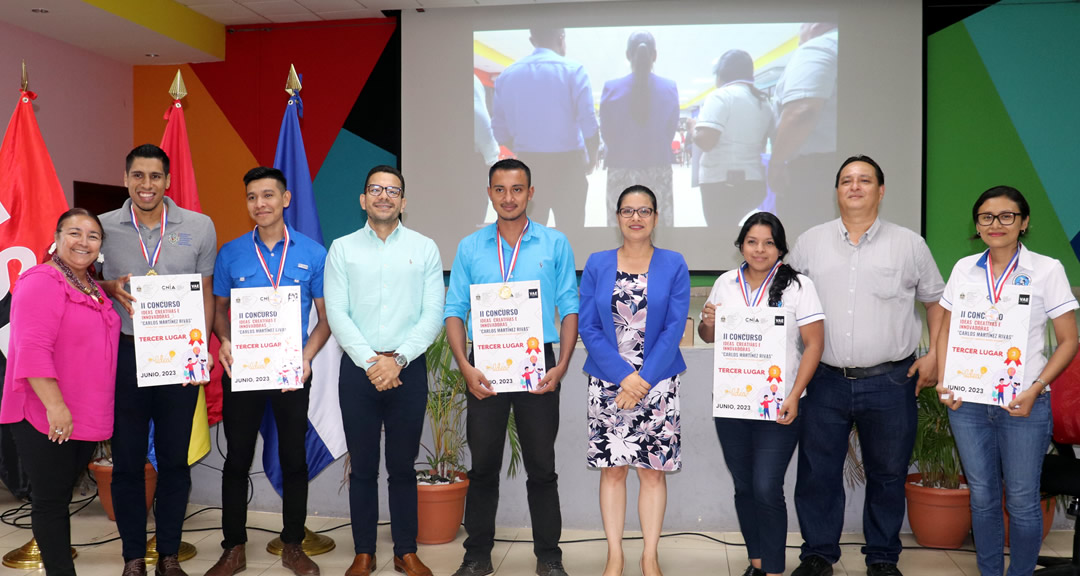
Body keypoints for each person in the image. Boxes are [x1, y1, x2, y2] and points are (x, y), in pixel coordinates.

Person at [788, 155, 944, 576]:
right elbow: (784, 305)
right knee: (818, 473)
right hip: (824, 380)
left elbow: (936, 301)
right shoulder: (809, 243)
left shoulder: (909, 244)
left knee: (888, 474)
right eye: (846, 181)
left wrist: (935, 355)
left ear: (881, 190)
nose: (854, 187)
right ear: (836, 190)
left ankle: (882, 558)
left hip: (891, 380)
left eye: (865, 180)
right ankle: (818, 554)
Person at [445, 159, 579, 576]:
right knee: (482, 466)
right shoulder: (470, 247)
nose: (508, 198)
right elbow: (454, 311)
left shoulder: (554, 244)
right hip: (484, 368)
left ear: (530, 193)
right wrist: (465, 366)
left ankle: (549, 556)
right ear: (489, 193)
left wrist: (563, 368)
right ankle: (477, 554)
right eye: (500, 189)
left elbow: (570, 309)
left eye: (517, 189)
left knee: (541, 466)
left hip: (541, 368)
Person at [936, 186, 1078, 576]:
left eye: (1006, 216)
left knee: (1021, 499)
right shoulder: (964, 268)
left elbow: (1069, 341)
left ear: (1024, 222)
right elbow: (946, 331)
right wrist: (948, 379)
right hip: (968, 404)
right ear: (977, 224)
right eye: (986, 217)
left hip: (1025, 402)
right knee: (981, 497)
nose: (995, 224)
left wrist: (1036, 388)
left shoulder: (1047, 270)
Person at [204, 167, 330, 576]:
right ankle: (233, 546)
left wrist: (308, 355)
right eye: (252, 197)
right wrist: (223, 340)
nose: (260, 204)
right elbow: (220, 312)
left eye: (268, 196)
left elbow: (327, 319)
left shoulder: (313, 253)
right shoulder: (232, 253)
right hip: (243, 371)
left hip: (291, 372)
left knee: (294, 457)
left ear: (286, 199)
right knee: (237, 459)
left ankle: (293, 544)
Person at [98, 144, 217, 576]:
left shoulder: (200, 227)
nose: (146, 185)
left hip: (178, 356)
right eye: (138, 176)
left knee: (173, 461)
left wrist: (199, 348)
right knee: (127, 462)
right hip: (125, 357)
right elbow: (77, 279)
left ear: (168, 181)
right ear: (126, 178)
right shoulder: (103, 227)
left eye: (155, 177)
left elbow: (205, 294)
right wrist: (110, 287)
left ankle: (168, 554)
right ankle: (133, 558)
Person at [324, 165, 444, 576]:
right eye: (375, 189)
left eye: (393, 191)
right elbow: (337, 313)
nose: (384, 196)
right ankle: (364, 552)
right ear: (363, 199)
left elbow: (433, 314)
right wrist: (373, 362)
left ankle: (405, 550)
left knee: (402, 466)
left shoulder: (425, 248)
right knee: (362, 467)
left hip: (407, 368)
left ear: (403, 203)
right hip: (359, 370)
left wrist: (399, 360)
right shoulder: (341, 249)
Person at [699, 212, 825, 576]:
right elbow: (710, 337)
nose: (759, 249)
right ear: (741, 245)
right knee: (743, 486)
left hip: (778, 404)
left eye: (768, 242)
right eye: (752, 241)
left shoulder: (799, 287)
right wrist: (708, 323)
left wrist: (795, 394)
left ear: (781, 248)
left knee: (767, 485)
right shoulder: (725, 283)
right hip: (733, 401)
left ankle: (772, 568)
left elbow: (814, 344)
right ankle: (756, 561)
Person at [0, 209, 120, 576]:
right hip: (48, 414)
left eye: (93, 236)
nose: (83, 241)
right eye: (74, 232)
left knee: (61, 497)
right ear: (57, 237)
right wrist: (57, 407)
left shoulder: (89, 286)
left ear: (100, 247)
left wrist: (110, 287)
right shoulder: (41, 280)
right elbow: (33, 349)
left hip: (83, 415)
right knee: (51, 503)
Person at [578, 185, 689, 576]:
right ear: (618, 217)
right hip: (608, 381)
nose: (636, 218)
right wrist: (625, 376)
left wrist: (642, 379)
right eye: (628, 211)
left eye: (644, 211)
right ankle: (614, 555)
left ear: (656, 217)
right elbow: (589, 328)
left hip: (657, 383)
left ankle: (649, 555)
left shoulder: (673, 263)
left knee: (652, 471)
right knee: (613, 469)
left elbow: (674, 328)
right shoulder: (597, 263)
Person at [491, 28, 599, 227]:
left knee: (530, 237)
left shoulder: (508, 75)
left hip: (529, 166)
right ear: (561, 37)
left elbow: (499, 130)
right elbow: (589, 124)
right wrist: (592, 158)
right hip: (569, 166)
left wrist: (524, 149)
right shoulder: (574, 70)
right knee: (571, 236)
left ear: (532, 40)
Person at [598, 32, 680, 226]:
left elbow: (606, 132)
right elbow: (670, 130)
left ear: (628, 55)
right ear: (655, 55)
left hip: (620, 166)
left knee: (620, 227)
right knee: (659, 226)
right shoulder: (669, 88)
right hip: (658, 165)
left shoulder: (611, 88)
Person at [692, 49, 775, 230]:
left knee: (720, 236)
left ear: (721, 74)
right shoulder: (763, 101)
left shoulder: (722, 96)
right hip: (754, 183)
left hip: (721, 184)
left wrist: (693, 129)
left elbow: (706, 141)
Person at [768, 23, 838, 225]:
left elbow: (801, 112)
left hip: (815, 174)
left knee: (805, 244)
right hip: (850, 166)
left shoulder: (818, 47)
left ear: (814, 26)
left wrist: (776, 163)